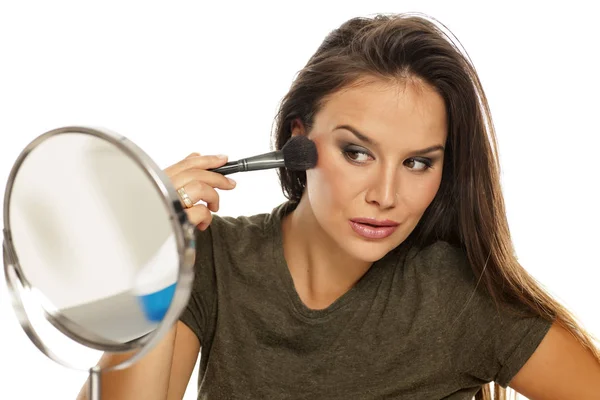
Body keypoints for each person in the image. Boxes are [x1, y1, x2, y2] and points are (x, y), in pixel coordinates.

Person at [77, 13, 600, 400]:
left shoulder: (459, 297)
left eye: (418, 162)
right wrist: (153, 265)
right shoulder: (213, 260)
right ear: (297, 141)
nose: (386, 195)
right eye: (357, 152)